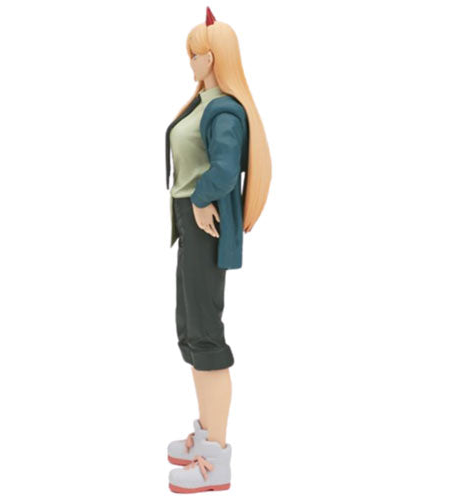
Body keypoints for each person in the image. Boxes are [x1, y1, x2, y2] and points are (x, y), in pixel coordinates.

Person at [164, 7, 272, 493]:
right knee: (191, 330)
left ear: (212, 58)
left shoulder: (224, 109)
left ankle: (216, 459)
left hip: (205, 223)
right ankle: (206, 435)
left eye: (195, 53)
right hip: (192, 223)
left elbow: (226, 168)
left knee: (206, 335)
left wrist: (201, 197)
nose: (190, 61)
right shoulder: (202, 103)